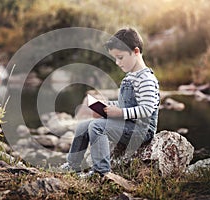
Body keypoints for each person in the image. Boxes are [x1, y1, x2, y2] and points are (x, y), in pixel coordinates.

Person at [61, 27, 160, 177]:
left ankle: (101, 171)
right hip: (128, 124)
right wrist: (107, 105)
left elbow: (147, 108)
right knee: (83, 125)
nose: (117, 62)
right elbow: (125, 103)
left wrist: (120, 113)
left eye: (120, 57)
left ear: (136, 52)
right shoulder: (129, 77)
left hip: (141, 130)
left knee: (97, 127)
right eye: (115, 58)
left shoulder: (146, 79)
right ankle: (72, 165)